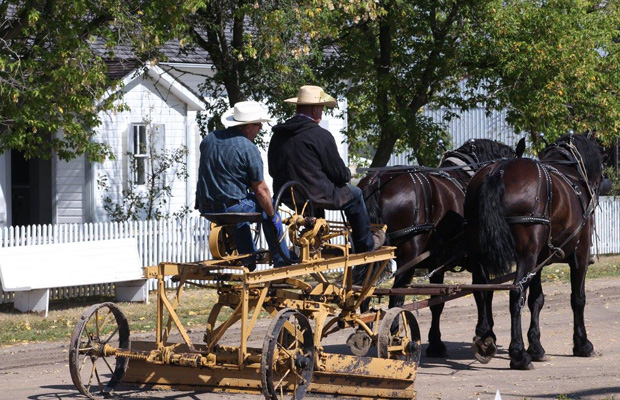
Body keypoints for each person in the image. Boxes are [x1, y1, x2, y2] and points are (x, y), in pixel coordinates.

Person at [268, 85, 385, 253]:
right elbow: (338, 175)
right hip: (316, 195)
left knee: (317, 196)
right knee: (356, 194)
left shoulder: (278, 136)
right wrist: (348, 172)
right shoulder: (320, 135)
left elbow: (273, 170)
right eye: (321, 109)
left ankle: (315, 240)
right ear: (315, 110)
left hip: (288, 196)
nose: (322, 114)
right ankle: (365, 244)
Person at [196, 100, 290, 268]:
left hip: (206, 208)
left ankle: (249, 259)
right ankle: (282, 262)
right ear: (247, 127)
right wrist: (272, 214)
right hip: (232, 208)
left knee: (243, 206)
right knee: (267, 208)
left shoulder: (208, 139)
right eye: (258, 124)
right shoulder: (248, 148)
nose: (261, 128)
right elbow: (261, 190)